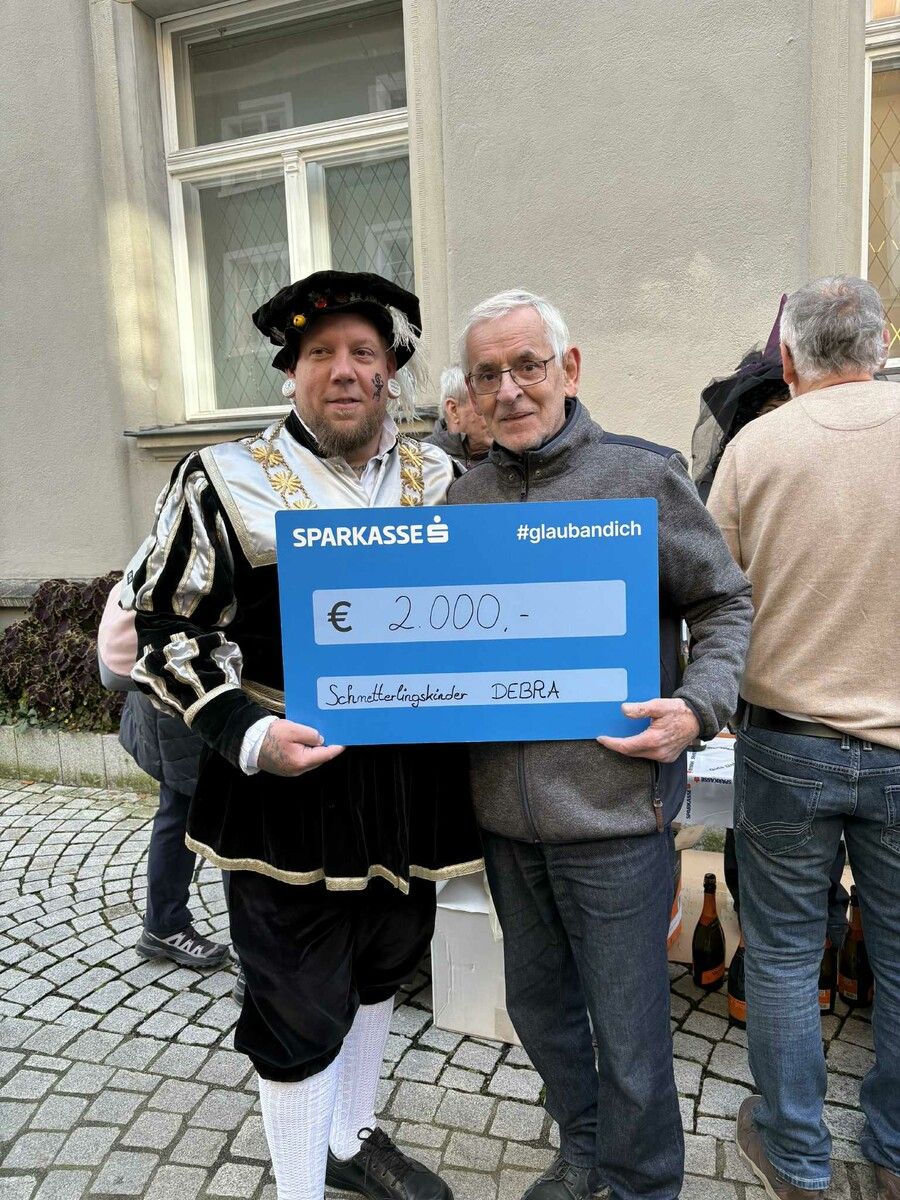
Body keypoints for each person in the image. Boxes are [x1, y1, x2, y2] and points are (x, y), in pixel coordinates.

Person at [120, 270, 484, 1200]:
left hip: (408, 778)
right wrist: (249, 734)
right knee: (294, 998)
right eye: (320, 353)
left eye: (363, 352)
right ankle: (298, 1188)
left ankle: (352, 1138)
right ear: (291, 374)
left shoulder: (443, 479)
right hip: (286, 777)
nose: (343, 370)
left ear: (393, 372)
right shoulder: (222, 478)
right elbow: (167, 630)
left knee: (383, 963)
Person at [447, 289, 753, 1200]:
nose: (509, 390)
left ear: (569, 370)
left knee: (630, 1034)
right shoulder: (460, 503)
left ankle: (644, 1185)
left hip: (618, 819)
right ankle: (585, 1154)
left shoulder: (644, 476)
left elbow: (723, 601)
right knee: (541, 1013)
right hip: (505, 824)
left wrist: (698, 705)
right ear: (468, 391)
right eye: (488, 374)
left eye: (528, 366)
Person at [708, 275, 900, 1200]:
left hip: (785, 740)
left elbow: (717, 591)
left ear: (787, 357)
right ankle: (895, 1146)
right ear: (883, 341)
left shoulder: (755, 446)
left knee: (784, 953)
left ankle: (793, 1149)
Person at [691, 305, 850, 950]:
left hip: (791, 705)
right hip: (787, 699)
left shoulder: (770, 445)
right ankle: (813, 963)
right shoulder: (753, 447)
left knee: (782, 925)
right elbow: (717, 584)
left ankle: (813, 960)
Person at [97, 584, 230, 971]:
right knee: (227, 826)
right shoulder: (201, 542)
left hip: (167, 697)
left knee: (178, 815)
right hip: (185, 702)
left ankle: (163, 925)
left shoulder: (170, 540)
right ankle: (255, 963)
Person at [425, 364, 492, 466]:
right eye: (483, 403)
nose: (496, 413)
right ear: (454, 410)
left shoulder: (513, 458)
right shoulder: (420, 459)